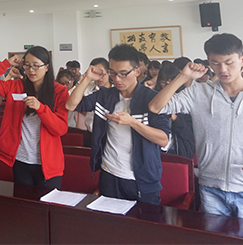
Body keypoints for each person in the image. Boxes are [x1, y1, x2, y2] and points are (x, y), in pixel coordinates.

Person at [149, 33, 243, 223]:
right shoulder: (199, 92)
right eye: (216, 63)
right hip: (212, 190)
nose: (223, 69)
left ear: (242, 60)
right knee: (214, 237)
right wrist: (183, 76)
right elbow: (156, 107)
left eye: (229, 62)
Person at [66, 44, 170, 204]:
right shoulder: (105, 96)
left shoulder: (152, 99)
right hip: (109, 174)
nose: (117, 79)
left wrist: (133, 123)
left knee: (144, 220)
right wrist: (87, 78)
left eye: (123, 74)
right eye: (113, 73)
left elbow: (163, 139)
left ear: (137, 71)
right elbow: (71, 105)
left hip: (141, 179)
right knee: (110, 219)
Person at [0, 46, 69, 189]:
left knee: (46, 201)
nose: (31, 70)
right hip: (21, 159)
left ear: (47, 67)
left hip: (47, 163)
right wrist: (7, 63)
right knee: (23, 200)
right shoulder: (16, 86)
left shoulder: (59, 91)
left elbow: (60, 129)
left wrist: (41, 108)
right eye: (27, 65)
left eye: (36, 65)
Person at [155, 62, 195, 159]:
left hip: (178, 146)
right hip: (157, 146)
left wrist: (175, 118)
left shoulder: (184, 98)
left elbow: (189, 132)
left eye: (170, 83)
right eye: (163, 82)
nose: (167, 86)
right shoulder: (155, 99)